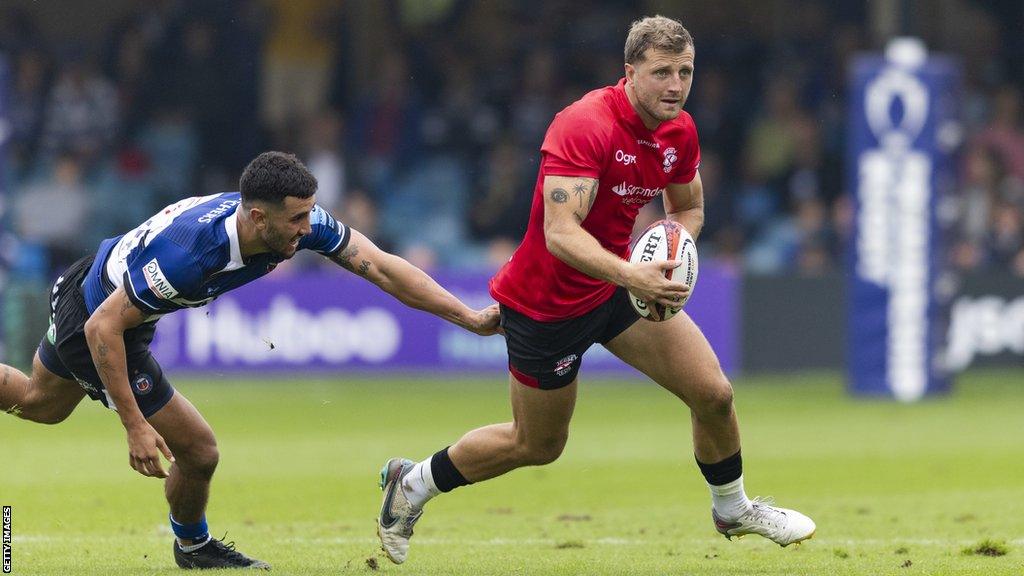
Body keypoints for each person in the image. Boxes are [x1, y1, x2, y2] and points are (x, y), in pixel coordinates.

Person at [376, 15, 815, 565]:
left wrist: (673, 254)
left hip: (614, 288)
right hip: (547, 306)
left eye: (686, 72)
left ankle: (732, 507)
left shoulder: (679, 131)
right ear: (629, 72)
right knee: (537, 445)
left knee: (714, 394)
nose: (676, 85)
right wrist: (634, 274)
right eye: (661, 73)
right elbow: (560, 234)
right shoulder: (585, 124)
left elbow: (689, 207)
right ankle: (412, 484)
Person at [0, 151, 500, 570]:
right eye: (297, 219)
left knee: (39, 404)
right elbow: (101, 329)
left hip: (100, 285)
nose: (309, 229)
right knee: (199, 452)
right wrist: (133, 423)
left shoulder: (291, 220)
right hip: (99, 322)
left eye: (310, 213)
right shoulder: (194, 255)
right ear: (258, 217)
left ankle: (192, 546)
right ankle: (194, 548)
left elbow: (385, 270)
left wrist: (470, 318)